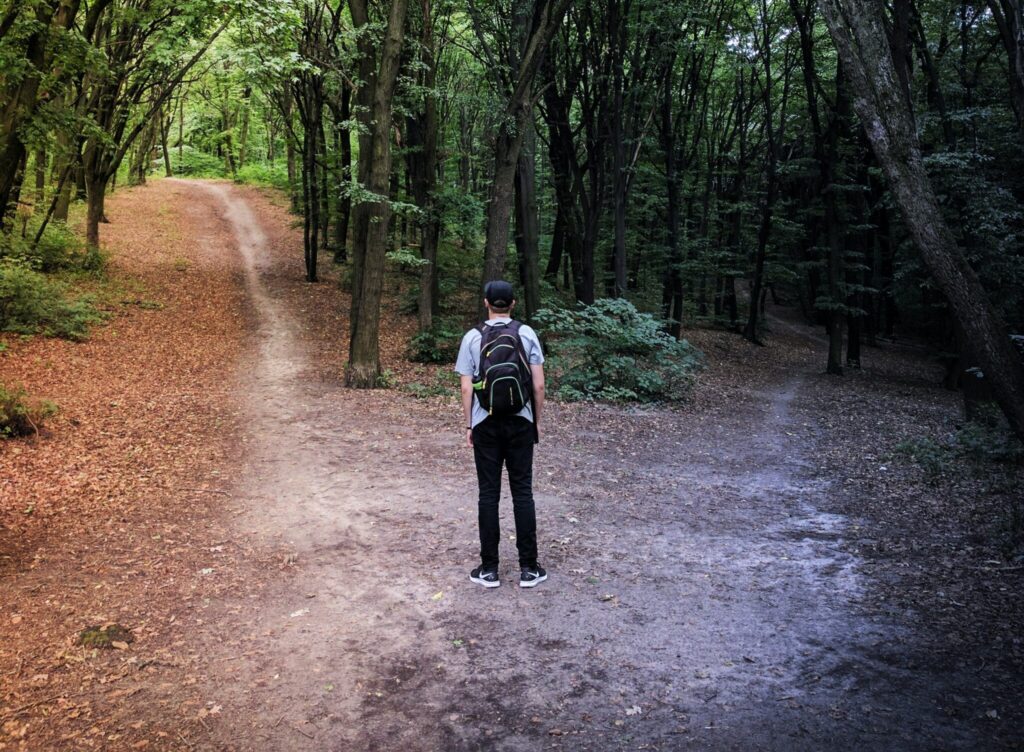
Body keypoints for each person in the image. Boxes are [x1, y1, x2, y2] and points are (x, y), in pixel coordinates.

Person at [455, 280, 547, 589]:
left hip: (486, 423)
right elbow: (538, 385)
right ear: (513, 303)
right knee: (522, 492)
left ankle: (489, 569)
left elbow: (467, 386)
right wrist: (536, 420)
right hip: (521, 420)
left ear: (486, 303)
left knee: (488, 493)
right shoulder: (526, 333)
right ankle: (530, 569)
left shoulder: (472, 337)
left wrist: (470, 424)